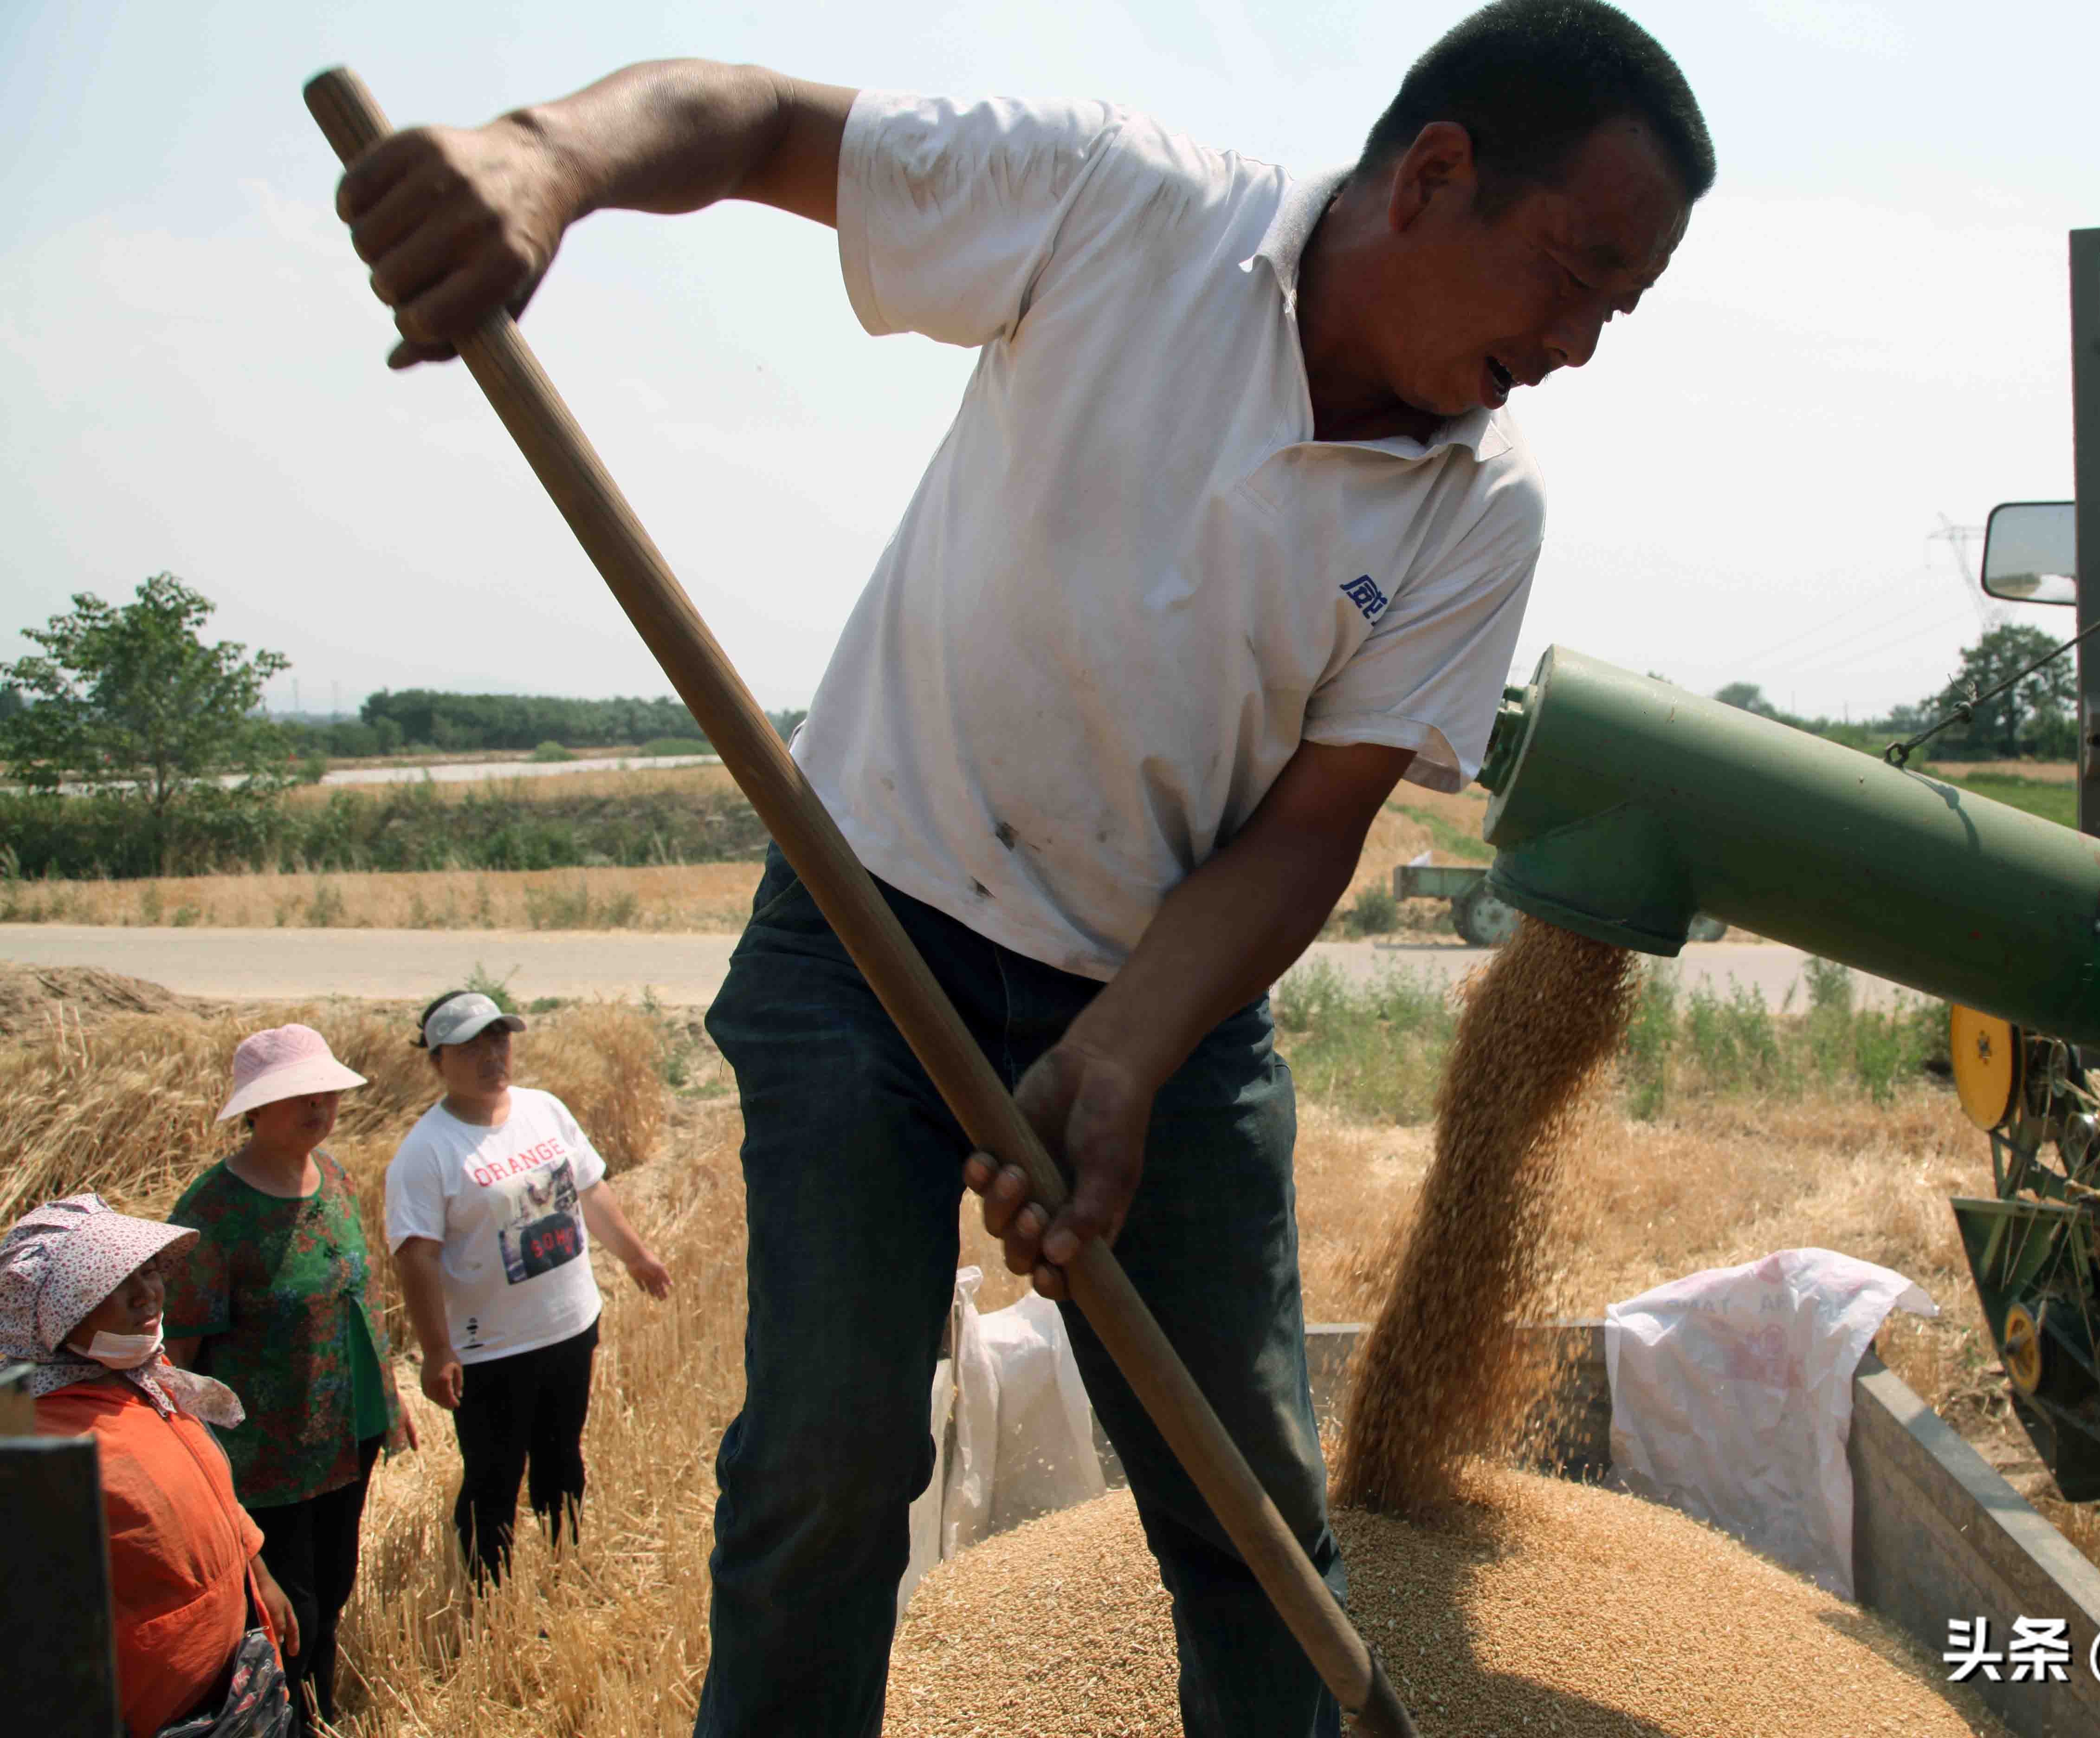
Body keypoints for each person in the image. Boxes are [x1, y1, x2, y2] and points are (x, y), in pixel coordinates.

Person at [328, 2, 1709, 1730]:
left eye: (1617, 309)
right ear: (1434, 174)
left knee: (1249, 1504)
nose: (1577, 342)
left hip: (1171, 995)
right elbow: (751, 116)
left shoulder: (1477, 507)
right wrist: (543, 159)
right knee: (826, 1467)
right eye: (1573, 273)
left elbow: (1305, 830)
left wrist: (1123, 1051)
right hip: (868, 922)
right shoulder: (1123, 208)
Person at [164, 1024, 415, 1735]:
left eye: (325, 1095)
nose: (318, 1109)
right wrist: (193, 1464)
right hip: (263, 1459)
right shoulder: (211, 1213)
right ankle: (282, 1721)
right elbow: (179, 1355)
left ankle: (320, 1716)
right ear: (256, 1109)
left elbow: (358, 1299)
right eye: (298, 1097)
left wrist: (389, 1398)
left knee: (333, 1590)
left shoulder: (334, 1177)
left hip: (345, 1431)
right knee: (286, 1612)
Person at [381, 990, 670, 1581]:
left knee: (563, 1458)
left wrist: (637, 1257)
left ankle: (568, 1567)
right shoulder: (427, 1151)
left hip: (569, 1324)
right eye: (473, 1046)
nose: (493, 1055)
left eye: (500, 1039)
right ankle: (492, 1595)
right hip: (492, 1349)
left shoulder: (545, 1110)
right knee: (493, 1479)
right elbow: (417, 1258)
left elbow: (590, 1191)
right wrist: (437, 1350)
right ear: (437, 1060)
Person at [6, 1194, 300, 1738]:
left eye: (148, 1271)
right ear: (57, 1314)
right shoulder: (36, 1440)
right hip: (161, 1711)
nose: (147, 1293)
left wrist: (258, 1578)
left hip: (236, 1670)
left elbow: (211, 1494)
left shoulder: (144, 1377)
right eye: (113, 1285)